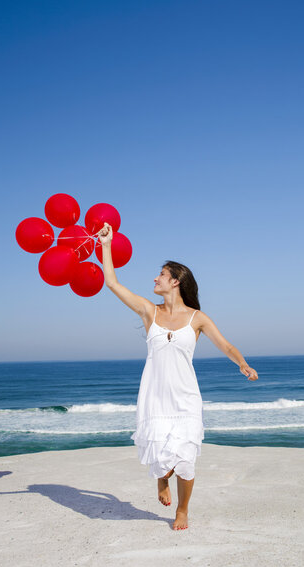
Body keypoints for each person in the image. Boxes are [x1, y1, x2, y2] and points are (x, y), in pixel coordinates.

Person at [97, 222, 258, 530]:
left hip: (185, 396)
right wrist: (107, 245)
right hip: (155, 395)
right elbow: (113, 284)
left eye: (161, 274)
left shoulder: (197, 318)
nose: (155, 278)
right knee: (160, 453)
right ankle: (161, 480)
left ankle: (182, 510)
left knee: (185, 457)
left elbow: (225, 344)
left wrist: (242, 363)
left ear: (175, 282)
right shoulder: (149, 311)